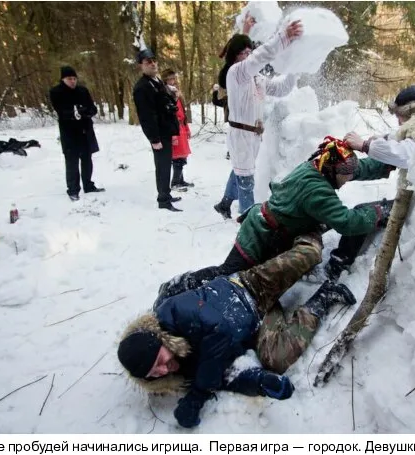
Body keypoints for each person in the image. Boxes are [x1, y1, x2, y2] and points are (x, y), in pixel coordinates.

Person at [118, 233, 356, 428]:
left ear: (158, 339)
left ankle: (311, 224)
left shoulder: (171, 312)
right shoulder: (183, 373)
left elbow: (219, 329)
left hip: (250, 285)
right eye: (154, 373)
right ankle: (324, 297)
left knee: (309, 254)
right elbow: (226, 376)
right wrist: (260, 382)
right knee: (277, 358)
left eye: (159, 359)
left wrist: (199, 393)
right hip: (259, 321)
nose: (162, 369)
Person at [153, 136, 395, 306]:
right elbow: (347, 222)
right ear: (332, 171)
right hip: (260, 235)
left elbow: (357, 168)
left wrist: (388, 164)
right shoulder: (317, 191)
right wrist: (378, 213)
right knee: (227, 274)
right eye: (346, 175)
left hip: (277, 225)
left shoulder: (320, 164)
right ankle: (179, 286)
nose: (350, 177)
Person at [326, 85, 415, 279]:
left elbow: (406, 153)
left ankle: (338, 264)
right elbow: (401, 139)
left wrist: (364, 145)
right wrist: (382, 140)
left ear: (409, 112)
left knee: (364, 213)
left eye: (398, 114)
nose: (397, 119)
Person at [212, 17, 303, 220]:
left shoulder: (256, 78)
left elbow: (281, 89)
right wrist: (283, 37)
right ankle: (249, 223)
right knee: (246, 180)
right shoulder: (237, 73)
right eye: (243, 52)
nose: (248, 55)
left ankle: (224, 204)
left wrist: (295, 68)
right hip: (240, 135)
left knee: (241, 169)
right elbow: (260, 57)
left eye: (248, 51)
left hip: (253, 135)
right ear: (235, 57)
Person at [132, 49, 183, 212]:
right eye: (148, 62)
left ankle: (166, 193)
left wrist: (172, 100)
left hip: (166, 130)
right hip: (158, 134)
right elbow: (146, 115)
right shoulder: (142, 87)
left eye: (154, 60)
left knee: (166, 164)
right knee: (162, 166)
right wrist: (154, 139)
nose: (153, 64)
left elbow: (163, 104)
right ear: (141, 65)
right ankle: (163, 199)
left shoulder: (157, 81)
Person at [49, 66, 105, 201]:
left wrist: (86, 111)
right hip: (69, 132)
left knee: (87, 159)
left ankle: (88, 185)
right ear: (63, 79)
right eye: (69, 79)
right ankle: (73, 189)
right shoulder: (56, 92)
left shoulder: (82, 90)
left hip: (85, 130)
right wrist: (75, 113)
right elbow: (61, 111)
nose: (73, 81)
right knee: (72, 161)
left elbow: (92, 108)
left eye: (74, 78)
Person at [162, 69, 194, 192]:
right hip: (173, 129)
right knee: (177, 157)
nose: (172, 81)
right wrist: (172, 135)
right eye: (169, 79)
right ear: (165, 80)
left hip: (181, 127)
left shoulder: (177, 93)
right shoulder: (165, 94)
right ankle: (175, 182)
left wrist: (187, 129)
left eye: (173, 78)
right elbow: (168, 116)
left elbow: (183, 114)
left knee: (182, 156)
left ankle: (180, 180)